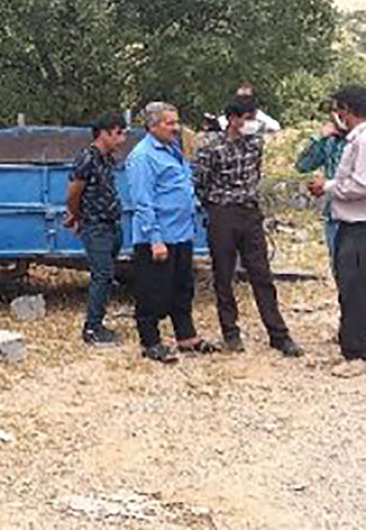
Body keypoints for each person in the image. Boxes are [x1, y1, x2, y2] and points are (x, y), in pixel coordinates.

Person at [194, 97, 302, 357]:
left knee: (261, 275)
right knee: (224, 275)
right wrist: (214, 206)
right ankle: (230, 333)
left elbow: (256, 173)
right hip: (222, 213)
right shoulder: (211, 147)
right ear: (232, 118)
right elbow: (200, 181)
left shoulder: (256, 143)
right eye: (247, 118)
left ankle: (279, 334)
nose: (252, 124)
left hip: (250, 212)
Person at [126, 102, 218, 363]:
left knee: (182, 287)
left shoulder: (172, 150)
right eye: (169, 123)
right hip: (158, 238)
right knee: (153, 291)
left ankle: (186, 337)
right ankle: (150, 342)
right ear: (152, 125)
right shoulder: (143, 156)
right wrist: (155, 239)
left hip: (181, 233)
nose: (175, 128)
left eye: (176, 122)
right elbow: (142, 202)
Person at [308, 85, 366, 372]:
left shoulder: (364, 140)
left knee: (354, 287)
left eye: (338, 109)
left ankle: (356, 354)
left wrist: (328, 187)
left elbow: (361, 185)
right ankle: (353, 341)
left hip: (359, 224)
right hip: (349, 222)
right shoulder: (355, 139)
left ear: (347, 110)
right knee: (351, 285)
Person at [64, 112, 128, 346]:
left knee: (107, 274)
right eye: (118, 133)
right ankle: (92, 328)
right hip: (96, 225)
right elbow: (73, 192)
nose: (121, 139)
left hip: (111, 224)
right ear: (104, 133)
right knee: (102, 275)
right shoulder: (87, 158)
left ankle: (98, 322)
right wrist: (76, 214)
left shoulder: (107, 158)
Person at [295, 106, 349, 274]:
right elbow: (303, 165)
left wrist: (326, 185)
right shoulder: (331, 142)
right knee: (340, 271)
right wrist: (318, 137)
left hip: (360, 215)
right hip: (335, 215)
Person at [215, 83, 281, 134]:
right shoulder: (224, 122)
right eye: (239, 98)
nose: (243, 102)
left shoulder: (263, 121)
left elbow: (276, 128)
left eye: (246, 98)